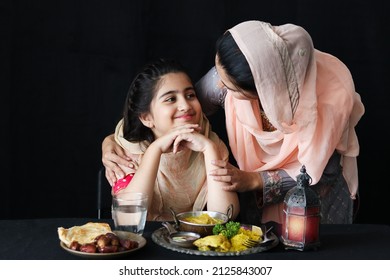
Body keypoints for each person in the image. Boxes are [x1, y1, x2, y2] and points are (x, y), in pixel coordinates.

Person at [102, 21, 364, 227]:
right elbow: (154, 113)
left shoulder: (330, 100)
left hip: (314, 196)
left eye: (229, 86)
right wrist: (112, 141)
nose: (218, 87)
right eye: (219, 74)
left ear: (264, 91)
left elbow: (318, 171)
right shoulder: (231, 70)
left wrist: (247, 177)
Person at [107, 58, 239, 221]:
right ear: (147, 117)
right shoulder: (126, 151)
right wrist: (155, 150)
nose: (186, 105)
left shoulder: (211, 143)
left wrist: (209, 150)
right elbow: (128, 218)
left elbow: (225, 216)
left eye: (190, 95)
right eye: (171, 99)